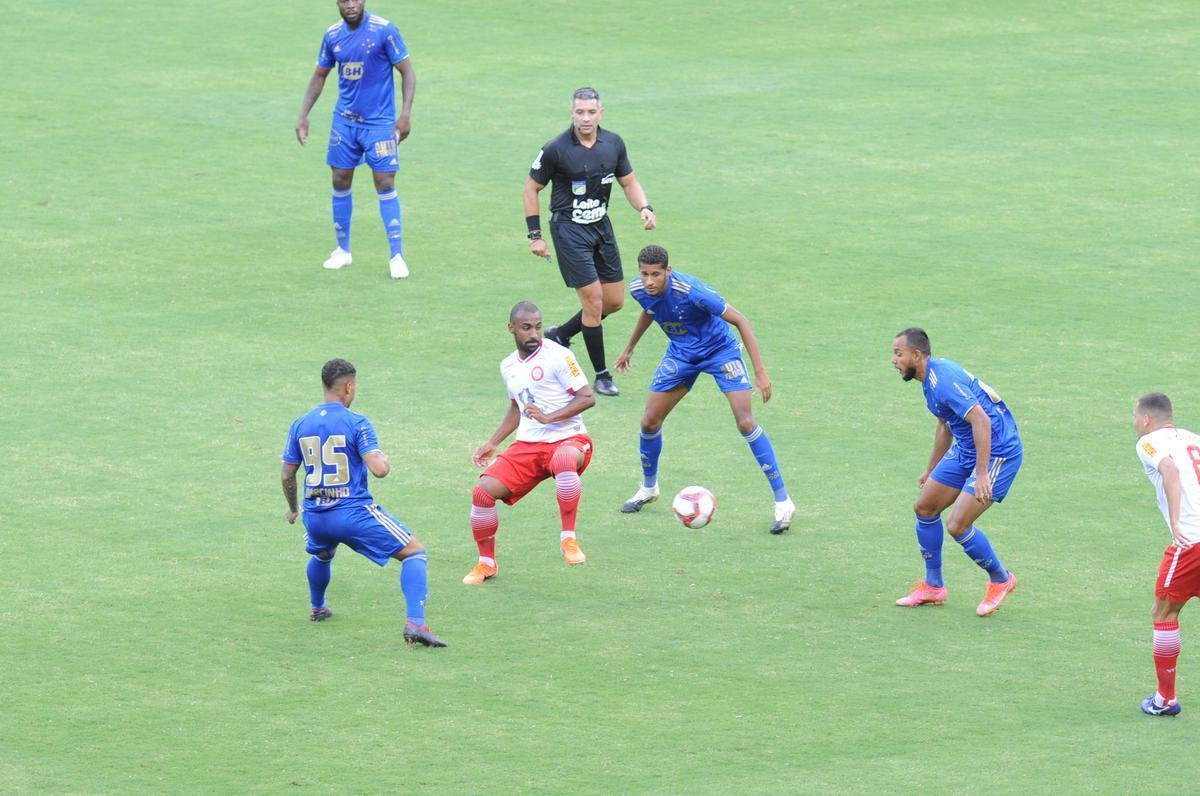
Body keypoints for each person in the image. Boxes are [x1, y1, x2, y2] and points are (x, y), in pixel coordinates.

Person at [614, 245, 796, 534]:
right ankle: (648, 488)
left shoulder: (693, 291)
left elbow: (741, 321)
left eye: (656, 275)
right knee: (649, 421)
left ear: (668, 272)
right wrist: (629, 348)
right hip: (681, 355)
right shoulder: (639, 289)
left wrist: (761, 372)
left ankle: (783, 501)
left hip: (720, 351)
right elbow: (650, 311)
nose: (649, 281)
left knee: (745, 421)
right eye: (644, 273)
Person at [281, 358, 445, 647]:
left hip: (316, 516)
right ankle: (416, 624)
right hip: (351, 514)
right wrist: (385, 460)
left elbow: (287, 474)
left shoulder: (300, 424)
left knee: (322, 552)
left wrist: (294, 508)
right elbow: (378, 469)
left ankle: (317, 607)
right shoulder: (357, 422)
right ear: (348, 386)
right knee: (415, 553)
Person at [523, 86, 657, 397]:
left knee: (614, 301)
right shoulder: (556, 149)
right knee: (594, 301)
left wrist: (645, 207)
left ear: (601, 113)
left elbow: (629, 181)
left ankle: (561, 333)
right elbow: (531, 189)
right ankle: (601, 375)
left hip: (601, 228)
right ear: (571, 112)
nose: (585, 118)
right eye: (580, 112)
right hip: (569, 231)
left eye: (591, 112)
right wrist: (535, 236)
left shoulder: (613, 144)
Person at [463, 302, 597, 585]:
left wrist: (550, 418)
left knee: (562, 461)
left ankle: (568, 539)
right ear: (511, 328)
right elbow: (517, 408)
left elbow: (587, 397)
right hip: (529, 446)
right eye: (526, 328)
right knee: (482, 492)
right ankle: (486, 563)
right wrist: (493, 441)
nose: (534, 333)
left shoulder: (560, 356)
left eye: (538, 326)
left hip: (569, 439)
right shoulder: (508, 365)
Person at [890, 328, 1020, 616]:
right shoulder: (929, 382)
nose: (893, 360)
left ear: (916, 355)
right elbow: (944, 425)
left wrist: (983, 473)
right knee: (925, 507)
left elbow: (982, 421)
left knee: (957, 524)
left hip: (997, 451)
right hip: (967, 448)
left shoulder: (943, 381)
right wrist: (931, 469)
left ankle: (1001, 579)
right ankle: (933, 587)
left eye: (898, 353)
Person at [295, 0, 416, 279]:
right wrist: (303, 116)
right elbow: (319, 76)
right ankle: (342, 250)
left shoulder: (384, 30)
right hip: (345, 122)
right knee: (339, 179)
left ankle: (396, 255)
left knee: (385, 181)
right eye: (344, 0)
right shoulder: (332, 35)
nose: (350, 5)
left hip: (379, 124)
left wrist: (405, 114)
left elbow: (408, 72)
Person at [1132, 392, 1200, 717]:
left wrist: (1176, 521)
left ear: (1146, 419)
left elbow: (1170, 471)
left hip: (1190, 542)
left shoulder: (1149, 442)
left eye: (1135, 418)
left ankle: (1165, 699)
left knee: (1164, 612)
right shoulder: (1193, 439)